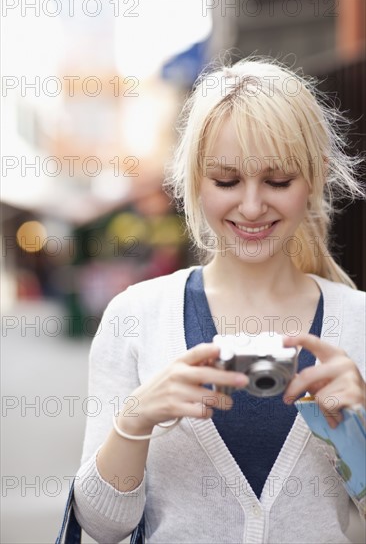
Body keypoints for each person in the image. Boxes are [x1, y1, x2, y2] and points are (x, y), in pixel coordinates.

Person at [73, 56, 365, 543]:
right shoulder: (136, 316)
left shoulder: (358, 321)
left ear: (315, 177)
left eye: (278, 181)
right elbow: (102, 525)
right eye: (226, 181)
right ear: (194, 180)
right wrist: (135, 420)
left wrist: (357, 432)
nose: (251, 206)